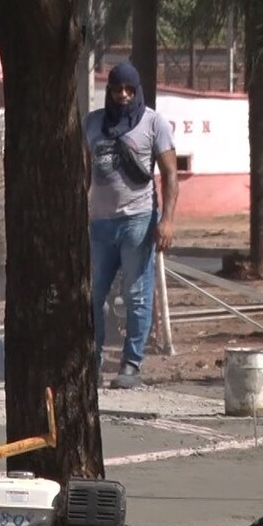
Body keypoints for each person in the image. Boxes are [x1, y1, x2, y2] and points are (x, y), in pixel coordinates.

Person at [83, 62, 179, 390]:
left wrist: (167, 220)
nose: (122, 95)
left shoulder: (154, 124)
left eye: (129, 89)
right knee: (93, 294)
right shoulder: (93, 123)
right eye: (116, 89)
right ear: (108, 90)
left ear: (137, 91)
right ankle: (90, 363)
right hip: (100, 224)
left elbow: (169, 174)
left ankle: (131, 365)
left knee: (136, 293)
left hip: (138, 220)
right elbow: (84, 171)